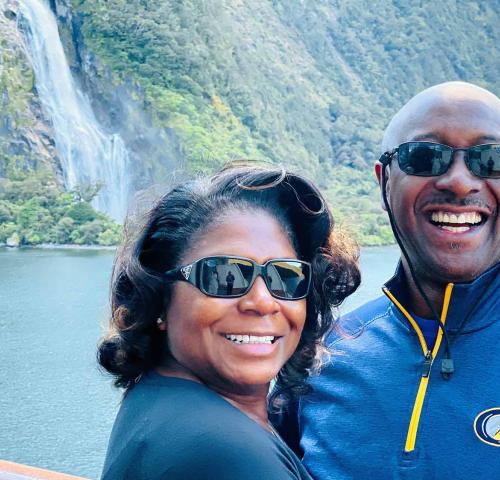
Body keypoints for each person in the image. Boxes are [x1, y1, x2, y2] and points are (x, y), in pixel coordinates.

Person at [274, 82, 500, 479]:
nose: (460, 181)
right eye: (425, 157)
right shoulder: (324, 358)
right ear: (384, 180)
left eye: (492, 159)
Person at [99, 164, 360, 479]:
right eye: (224, 276)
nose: (263, 302)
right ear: (160, 299)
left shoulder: (159, 401)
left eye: (286, 276)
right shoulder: (224, 452)